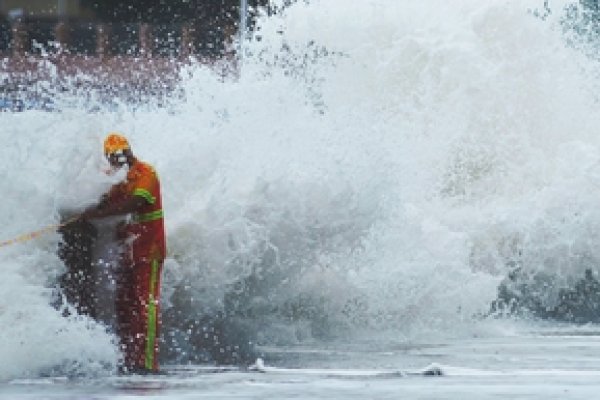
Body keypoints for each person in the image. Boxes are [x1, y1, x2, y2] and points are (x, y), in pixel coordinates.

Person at [79, 133, 166, 374]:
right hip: (126, 251)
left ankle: (148, 364)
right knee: (124, 307)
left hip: (149, 250)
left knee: (145, 307)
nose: (117, 161)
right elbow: (106, 201)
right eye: (113, 158)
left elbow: (134, 203)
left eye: (120, 156)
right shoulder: (119, 180)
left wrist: (98, 215)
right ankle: (130, 360)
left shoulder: (145, 174)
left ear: (129, 153)